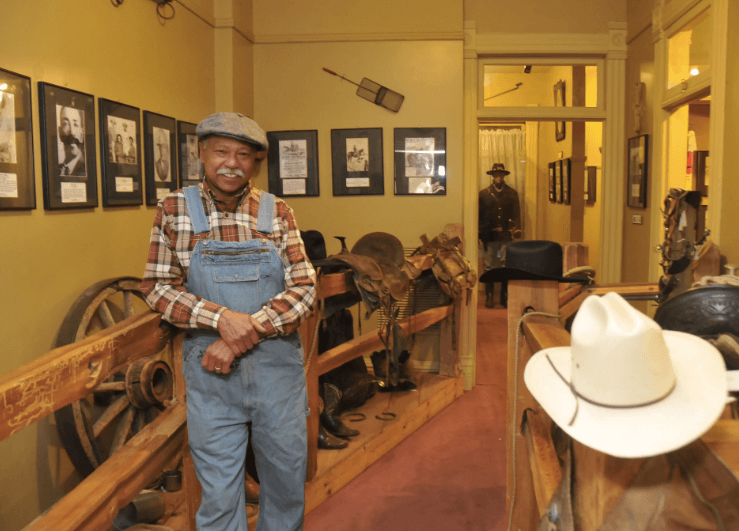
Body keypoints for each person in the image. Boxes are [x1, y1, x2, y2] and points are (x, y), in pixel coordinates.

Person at [141, 112, 317, 531]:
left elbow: (305, 288)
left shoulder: (277, 212)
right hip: (212, 376)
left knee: (286, 484)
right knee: (218, 494)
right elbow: (157, 286)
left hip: (277, 372)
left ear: (255, 162)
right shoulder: (174, 210)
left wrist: (246, 330)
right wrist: (220, 318)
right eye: (221, 151)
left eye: (243, 154)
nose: (231, 163)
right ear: (202, 153)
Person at [478, 163, 520, 308]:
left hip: (505, 235)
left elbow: (516, 214)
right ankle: (489, 296)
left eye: (501, 174)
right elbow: (480, 216)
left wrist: (515, 230)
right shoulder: (483, 194)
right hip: (489, 235)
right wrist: (479, 234)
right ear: (492, 176)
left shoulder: (512, 193)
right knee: (488, 265)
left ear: (504, 176)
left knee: (504, 265)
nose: (499, 177)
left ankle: (504, 296)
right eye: (496, 175)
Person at [57, 106, 86, 176]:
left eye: (75, 125)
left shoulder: (85, 169)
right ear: (60, 133)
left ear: (82, 134)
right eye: (66, 124)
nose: (72, 132)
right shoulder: (58, 170)